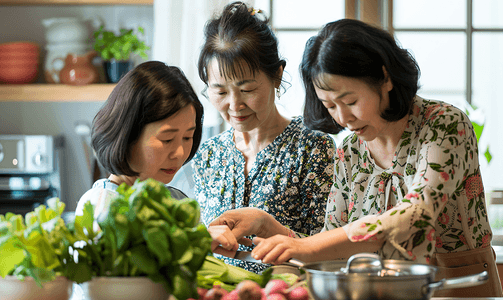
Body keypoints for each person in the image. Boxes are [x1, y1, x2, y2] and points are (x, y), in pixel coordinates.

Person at [230, 19, 502, 297]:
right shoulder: (350, 151)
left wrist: (308, 246)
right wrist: (267, 225)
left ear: (384, 78)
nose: (343, 118)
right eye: (330, 105)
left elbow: (415, 215)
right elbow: (331, 245)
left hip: (458, 290)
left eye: (350, 102)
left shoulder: (444, 125)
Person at [193, 1, 336, 273]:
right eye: (220, 92)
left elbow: (331, 253)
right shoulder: (208, 154)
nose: (234, 105)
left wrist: (270, 227)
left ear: (277, 76)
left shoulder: (314, 148)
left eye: (246, 89)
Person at [75, 61, 203, 216]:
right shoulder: (102, 205)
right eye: (167, 139)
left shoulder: (177, 201)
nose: (179, 153)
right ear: (128, 136)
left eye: (187, 137)